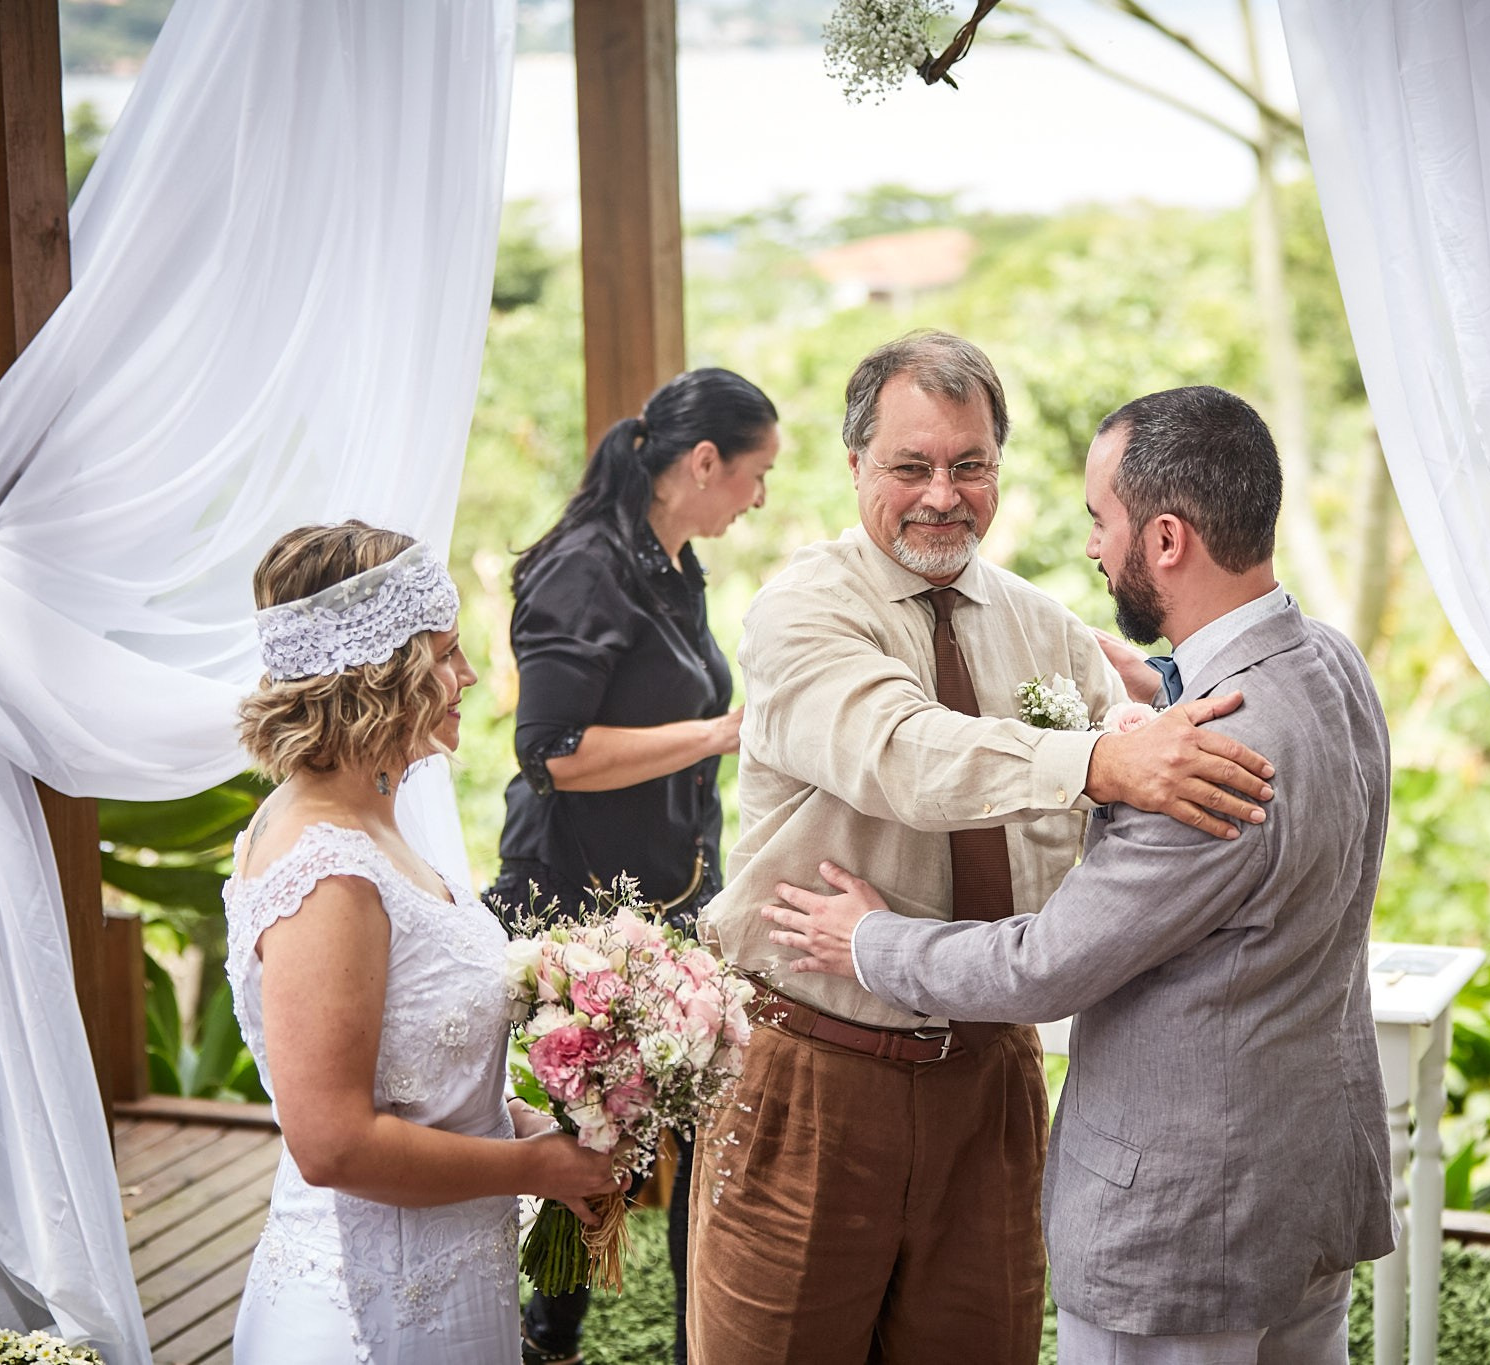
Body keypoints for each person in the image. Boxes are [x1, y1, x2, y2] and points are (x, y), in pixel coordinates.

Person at [762, 386, 1397, 1365]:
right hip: (1305, 1190)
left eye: (1103, 522)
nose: (1095, 549)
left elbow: (1044, 968)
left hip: (1188, 1231)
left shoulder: (1202, 760)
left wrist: (864, 941)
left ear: (1168, 540)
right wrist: (1162, 683)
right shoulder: (1327, 662)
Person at [226, 521, 620, 1365]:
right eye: (445, 653)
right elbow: (333, 1144)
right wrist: (532, 1171)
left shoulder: (375, 820)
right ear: (379, 678)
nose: (469, 674)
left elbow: (410, 1075)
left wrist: (527, 1124)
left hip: (447, 1282)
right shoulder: (327, 872)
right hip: (369, 1317)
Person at [490, 367, 779, 1365]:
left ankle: (704, 1339)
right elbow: (554, 754)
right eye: (754, 475)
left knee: (694, 1129)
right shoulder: (584, 567)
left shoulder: (669, 560)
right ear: (702, 462)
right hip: (579, 901)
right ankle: (551, 1334)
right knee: (597, 1142)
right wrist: (718, 736)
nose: (758, 498)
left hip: (669, 893)